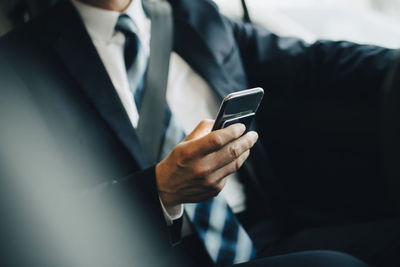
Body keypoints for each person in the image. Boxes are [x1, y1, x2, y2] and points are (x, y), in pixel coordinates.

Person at [0, 0, 399, 266]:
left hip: (262, 232)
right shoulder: (17, 66)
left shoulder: (189, 13)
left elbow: (309, 61)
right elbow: (23, 223)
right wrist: (161, 189)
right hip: (146, 252)